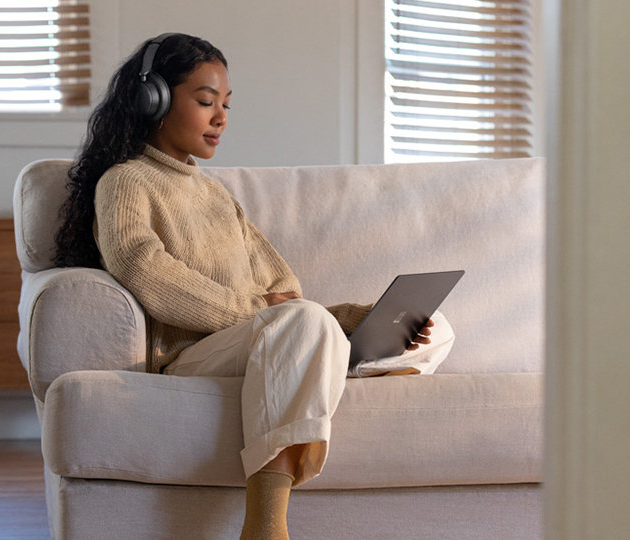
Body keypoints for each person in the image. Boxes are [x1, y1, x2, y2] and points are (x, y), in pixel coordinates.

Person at [54, 32, 446, 540]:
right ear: (152, 100)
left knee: (436, 327)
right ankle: (265, 527)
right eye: (205, 102)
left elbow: (283, 289)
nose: (221, 117)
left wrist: (352, 317)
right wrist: (258, 312)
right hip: (193, 356)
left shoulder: (217, 196)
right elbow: (143, 269)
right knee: (302, 325)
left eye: (226, 105)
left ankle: (322, 362)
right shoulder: (126, 182)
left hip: (264, 342)